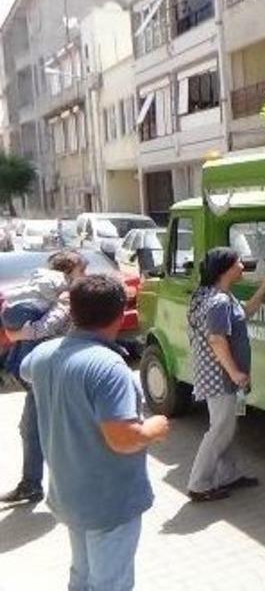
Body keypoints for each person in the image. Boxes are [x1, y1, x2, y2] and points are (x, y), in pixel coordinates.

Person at [22, 274, 170, 591]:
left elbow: (27, 370)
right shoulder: (109, 367)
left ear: (72, 312)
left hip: (70, 493)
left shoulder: (43, 355)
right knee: (109, 583)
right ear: (121, 315)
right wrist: (154, 429)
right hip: (109, 501)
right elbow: (123, 438)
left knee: (82, 576)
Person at [186, 247, 265, 502]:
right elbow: (216, 339)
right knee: (220, 431)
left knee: (226, 427)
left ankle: (228, 475)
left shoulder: (211, 295)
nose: (242, 267)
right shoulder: (218, 302)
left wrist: (264, 289)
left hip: (214, 374)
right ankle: (199, 484)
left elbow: (242, 315)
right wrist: (235, 373)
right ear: (226, 269)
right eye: (238, 263)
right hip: (221, 377)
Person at [1, 249, 88, 505]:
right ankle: (31, 485)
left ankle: (76, 486)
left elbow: (45, 328)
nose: (85, 276)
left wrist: (15, 335)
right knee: (31, 429)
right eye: (81, 271)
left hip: (56, 372)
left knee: (56, 432)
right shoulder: (54, 296)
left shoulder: (65, 298)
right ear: (67, 273)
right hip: (44, 374)